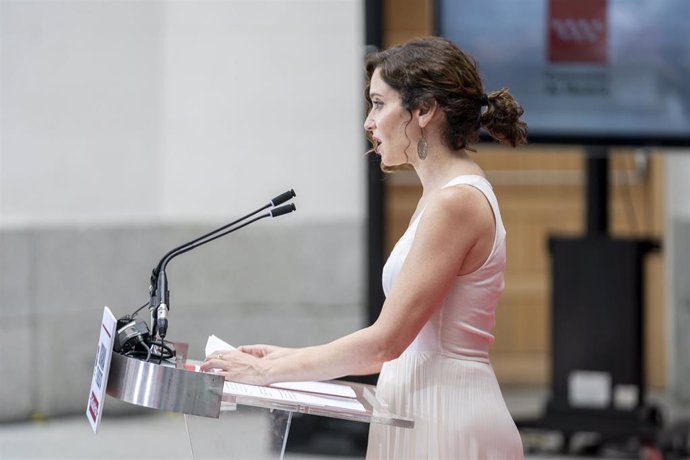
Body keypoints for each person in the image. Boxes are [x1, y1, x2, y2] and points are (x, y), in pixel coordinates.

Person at [201, 36, 528, 459]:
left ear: (424, 109)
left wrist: (268, 371)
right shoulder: (441, 195)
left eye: (378, 103)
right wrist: (289, 357)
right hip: (419, 404)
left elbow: (384, 344)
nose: (368, 123)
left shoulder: (456, 201)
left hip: (447, 415)